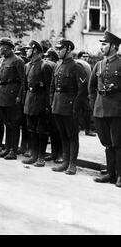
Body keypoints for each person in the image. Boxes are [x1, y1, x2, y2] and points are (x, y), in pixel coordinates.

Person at [50, 39, 87, 175]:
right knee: (63, 135)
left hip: (70, 106)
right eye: (58, 49)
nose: (58, 51)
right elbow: (52, 87)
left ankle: (72, 164)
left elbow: (82, 91)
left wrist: (75, 108)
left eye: (61, 49)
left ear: (69, 50)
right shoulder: (58, 66)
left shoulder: (77, 67)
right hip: (58, 105)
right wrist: (52, 102)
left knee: (72, 136)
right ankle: (65, 161)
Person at [90, 31, 121, 187]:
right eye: (101, 44)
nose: (101, 47)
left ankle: (120, 175)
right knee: (107, 143)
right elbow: (91, 88)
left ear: (114, 46)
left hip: (117, 110)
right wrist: (93, 105)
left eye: (104, 44)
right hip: (100, 109)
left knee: (118, 143)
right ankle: (110, 173)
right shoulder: (98, 65)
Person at [21, 40, 54, 167]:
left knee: (42, 131)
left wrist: (47, 105)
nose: (26, 51)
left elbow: (49, 88)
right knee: (31, 130)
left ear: (34, 50)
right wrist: (24, 102)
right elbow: (25, 86)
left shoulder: (44, 66)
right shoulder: (27, 65)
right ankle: (34, 155)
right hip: (30, 100)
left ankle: (41, 157)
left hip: (41, 102)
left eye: (28, 49)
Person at [0, 37, 25, 160]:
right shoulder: (2, 60)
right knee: (7, 123)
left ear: (6, 47)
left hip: (12, 95)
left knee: (14, 123)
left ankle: (13, 149)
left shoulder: (17, 61)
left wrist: (19, 96)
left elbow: (23, 81)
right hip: (2, 93)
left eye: (0, 46)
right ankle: (7, 148)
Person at [43, 48, 63, 163]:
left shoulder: (55, 67)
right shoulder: (49, 67)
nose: (46, 60)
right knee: (51, 129)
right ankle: (54, 152)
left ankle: (60, 153)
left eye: (49, 57)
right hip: (50, 101)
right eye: (45, 57)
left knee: (58, 130)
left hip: (58, 101)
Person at [77, 51, 96, 137]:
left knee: (87, 110)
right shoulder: (79, 65)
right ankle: (82, 128)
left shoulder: (88, 66)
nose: (85, 58)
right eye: (83, 56)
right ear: (79, 57)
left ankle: (88, 129)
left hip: (84, 91)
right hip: (78, 90)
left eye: (87, 56)